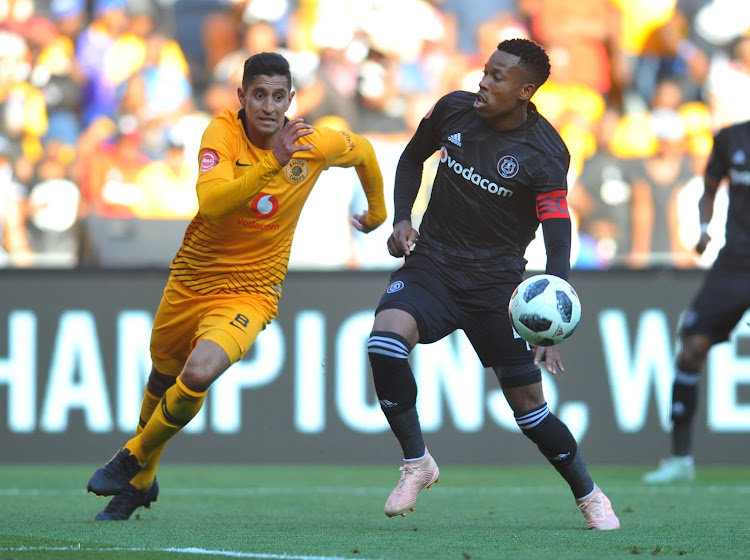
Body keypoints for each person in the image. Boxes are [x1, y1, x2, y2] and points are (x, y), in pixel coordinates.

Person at [86, 51, 387, 520]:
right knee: (163, 377)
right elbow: (212, 204)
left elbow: (364, 152)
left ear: (291, 99)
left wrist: (378, 212)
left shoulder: (313, 143)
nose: (269, 106)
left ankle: (129, 458)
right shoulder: (220, 133)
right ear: (242, 96)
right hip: (192, 278)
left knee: (199, 372)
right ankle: (142, 484)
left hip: (252, 290)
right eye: (260, 95)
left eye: (279, 96)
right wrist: (273, 164)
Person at [366, 38, 620, 530]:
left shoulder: (545, 154)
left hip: (496, 288)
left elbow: (558, 230)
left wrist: (556, 309)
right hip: (432, 266)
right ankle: (417, 462)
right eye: (485, 71)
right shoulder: (452, 111)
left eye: (497, 78)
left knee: (530, 411)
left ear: (525, 90)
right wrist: (400, 219)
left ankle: (589, 496)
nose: (483, 82)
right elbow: (410, 159)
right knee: (384, 343)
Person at [643, 118, 750, 484]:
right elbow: (709, 189)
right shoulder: (730, 138)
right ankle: (680, 460)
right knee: (691, 346)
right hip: (736, 262)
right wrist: (704, 230)